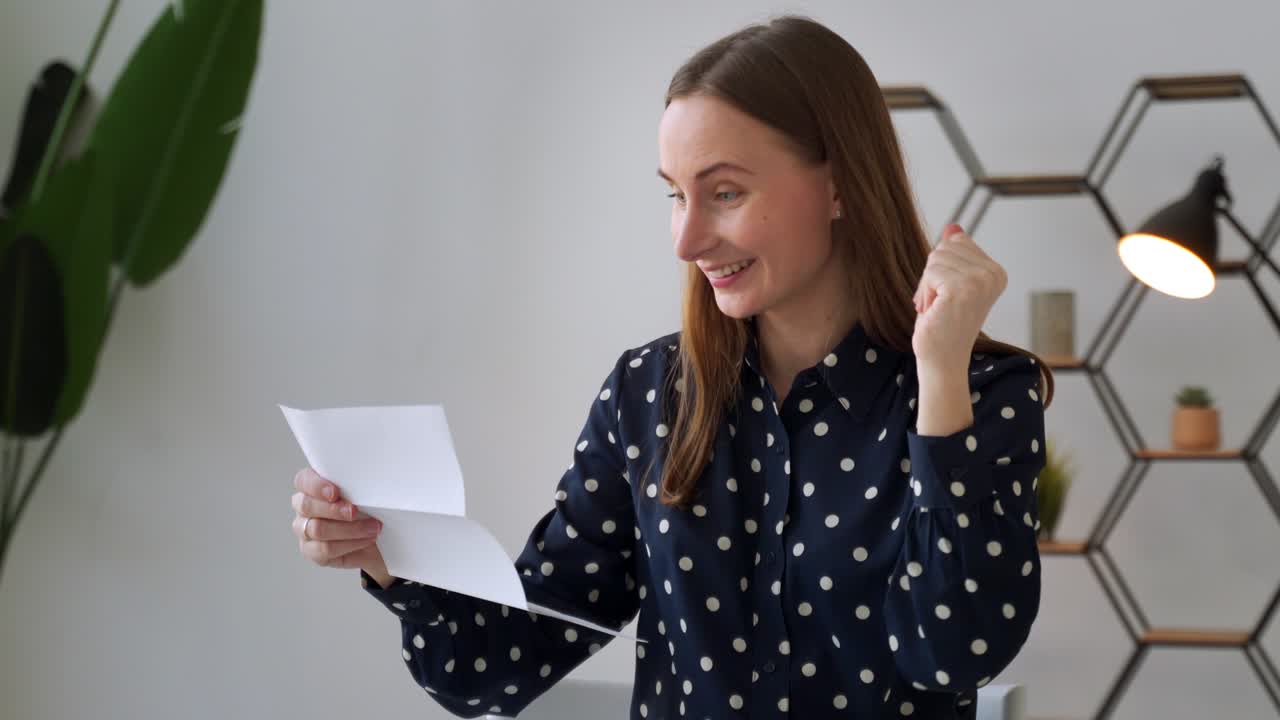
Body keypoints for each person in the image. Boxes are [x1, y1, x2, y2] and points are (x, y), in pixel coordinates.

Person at [291, 14, 1055, 719]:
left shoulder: (980, 394)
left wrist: (940, 376)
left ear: (840, 185)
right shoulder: (648, 395)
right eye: (675, 196)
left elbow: (954, 653)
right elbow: (491, 668)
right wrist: (389, 556)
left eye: (724, 192)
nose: (687, 241)